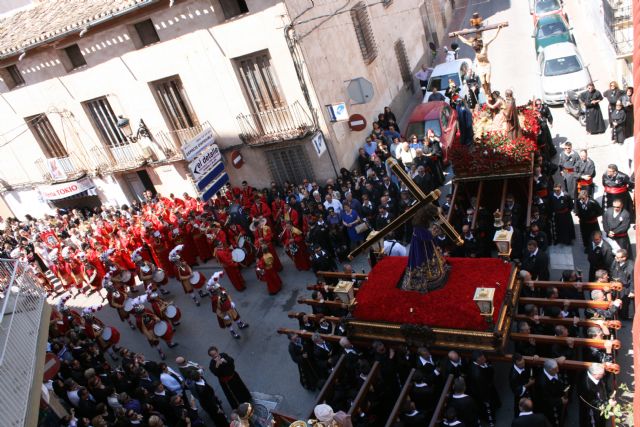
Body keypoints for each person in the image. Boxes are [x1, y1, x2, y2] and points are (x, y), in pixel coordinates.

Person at [457, 24, 503, 95]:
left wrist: (498, 29)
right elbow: (465, 41)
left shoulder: (484, 45)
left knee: (487, 80)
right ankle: (486, 93)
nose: (476, 50)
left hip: (487, 65)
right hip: (480, 66)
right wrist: (458, 35)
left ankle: (489, 91)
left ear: (479, 46)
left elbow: (493, 38)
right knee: (483, 81)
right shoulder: (474, 47)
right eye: (475, 49)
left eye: (476, 48)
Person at [534, 359, 567, 427]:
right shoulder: (543, 383)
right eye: (555, 369)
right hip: (549, 408)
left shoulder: (553, 372)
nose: (558, 370)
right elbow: (547, 400)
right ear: (549, 370)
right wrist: (561, 401)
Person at [610, 248, 634, 319]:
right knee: (616, 302)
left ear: (624, 258)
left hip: (625, 288)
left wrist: (632, 291)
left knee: (624, 305)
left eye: (617, 257)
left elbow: (633, 280)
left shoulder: (631, 266)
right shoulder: (616, 261)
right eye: (615, 256)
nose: (615, 258)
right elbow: (612, 270)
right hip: (615, 286)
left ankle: (624, 318)